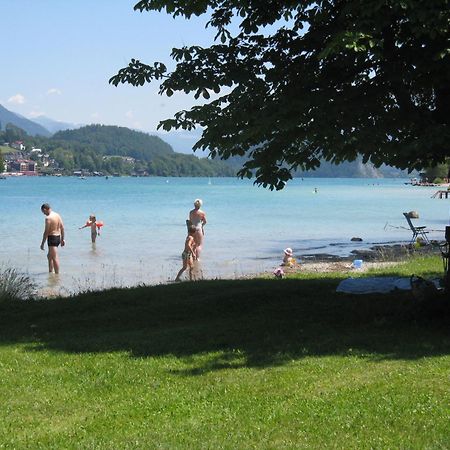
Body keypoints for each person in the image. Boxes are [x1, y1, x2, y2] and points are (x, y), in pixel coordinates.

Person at [40, 203, 65, 274]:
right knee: (49, 256)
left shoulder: (48, 218)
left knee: (54, 257)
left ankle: (57, 275)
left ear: (45, 209)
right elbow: (62, 227)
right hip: (58, 237)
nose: (44, 214)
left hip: (52, 238)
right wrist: (62, 239)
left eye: (43, 212)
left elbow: (46, 232)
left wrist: (42, 243)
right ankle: (50, 272)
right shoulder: (57, 215)